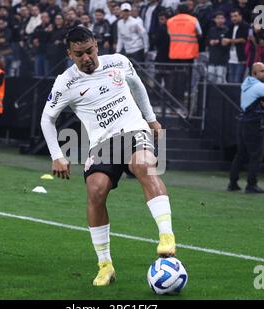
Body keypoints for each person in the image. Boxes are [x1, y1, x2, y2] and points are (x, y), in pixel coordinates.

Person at [40, 27, 176, 286]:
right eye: (79, 54)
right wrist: (57, 155)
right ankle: (105, 265)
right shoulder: (65, 83)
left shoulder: (119, 62)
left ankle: (166, 236)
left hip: (134, 128)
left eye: (90, 51)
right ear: (70, 54)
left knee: (143, 165)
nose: (86, 58)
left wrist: (151, 120)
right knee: (95, 189)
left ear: (97, 46)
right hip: (103, 143)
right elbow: (47, 118)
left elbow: (137, 86)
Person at [228, 62, 264, 194]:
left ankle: (233, 182)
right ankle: (251, 185)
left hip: (243, 121)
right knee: (256, 155)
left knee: (241, 154)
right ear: (254, 73)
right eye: (262, 71)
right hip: (254, 123)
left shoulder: (245, 84)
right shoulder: (261, 87)